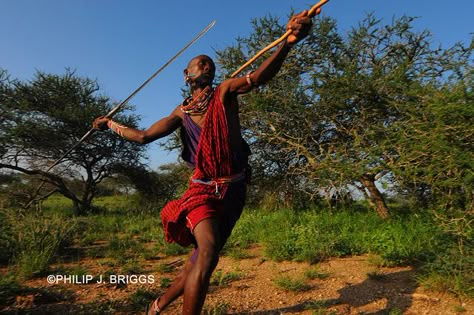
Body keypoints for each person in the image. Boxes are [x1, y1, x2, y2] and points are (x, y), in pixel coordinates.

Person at [93, 9, 315, 315]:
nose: (206, 64)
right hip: (202, 190)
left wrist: (288, 43)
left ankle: (157, 304)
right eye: (199, 63)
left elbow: (258, 77)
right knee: (208, 254)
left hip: (235, 189)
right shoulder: (180, 113)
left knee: (200, 258)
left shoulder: (225, 92)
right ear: (187, 75)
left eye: (209, 62)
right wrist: (111, 125)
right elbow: (143, 136)